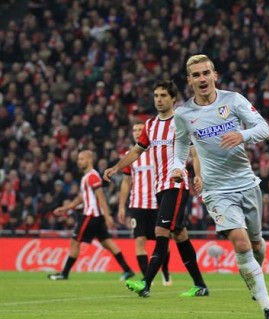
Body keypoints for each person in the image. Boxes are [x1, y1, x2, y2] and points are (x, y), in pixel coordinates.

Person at [170, 55, 269, 319]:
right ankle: (268, 308)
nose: (202, 78)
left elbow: (264, 129)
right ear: (190, 80)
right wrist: (177, 168)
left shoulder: (233, 100)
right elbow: (181, 144)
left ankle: (255, 280)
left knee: (256, 245)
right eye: (196, 75)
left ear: (215, 75)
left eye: (206, 72)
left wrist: (241, 135)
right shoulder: (184, 114)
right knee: (241, 244)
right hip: (216, 190)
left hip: (246, 183)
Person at [103, 80, 209, 298]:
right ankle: (200, 285)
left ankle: (146, 283)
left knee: (161, 232)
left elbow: (195, 152)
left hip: (176, 184)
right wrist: (116, 167)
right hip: (160, 187)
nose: (159, 99)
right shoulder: (150, 125)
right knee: (180, 235)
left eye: (163, 95)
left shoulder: (181, 121)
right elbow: (135, 151)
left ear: (172, 99)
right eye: (156, 96)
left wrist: (198, 175)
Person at [48, 150, 134, 281]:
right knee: (108, 243)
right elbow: (81, 197)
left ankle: (64, 273)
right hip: (96, 217)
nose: (79, 161)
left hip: (90, 215)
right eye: (79, 159)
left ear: (89, 159)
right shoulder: (87, 177)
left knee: (74, 242)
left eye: (82, 159)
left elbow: (100, 196)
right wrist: (65, 208)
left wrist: (107, 216)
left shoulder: (92, 176)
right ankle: (127, 270)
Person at [117, 121, 171, 285]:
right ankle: (147, 277)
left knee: (163, 242)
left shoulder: (158, 152)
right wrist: (121, 206)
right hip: (137, 205)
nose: (137, 132)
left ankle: (166, 272)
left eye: (140, 129)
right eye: (135, 129)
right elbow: (126, 182)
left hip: (157, 203)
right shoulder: (129, 155)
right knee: (139, 241)